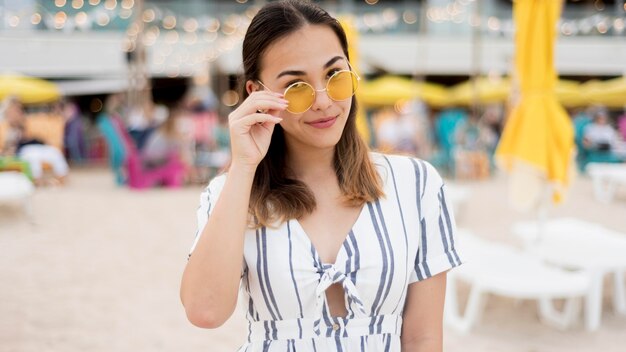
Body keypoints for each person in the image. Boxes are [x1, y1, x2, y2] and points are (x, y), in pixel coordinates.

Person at [180, 1, 462, 351]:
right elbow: (205, 311)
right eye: (297, 86)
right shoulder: (230, 193)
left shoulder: (416, 184)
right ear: (257, 95)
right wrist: (243, 168)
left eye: (335, 76)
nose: (324, 101)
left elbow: (423, 338)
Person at [0, 96, 69, 185]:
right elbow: (8, 147)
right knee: (32, 156)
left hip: (34, 146)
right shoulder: (5, 127)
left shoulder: (25, 122)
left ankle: (61, 178)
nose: (17, 112)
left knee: (54, 152)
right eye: (14, 110)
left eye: (18, 110)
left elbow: (31, 136)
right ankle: (38, 181)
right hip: (22, 151)